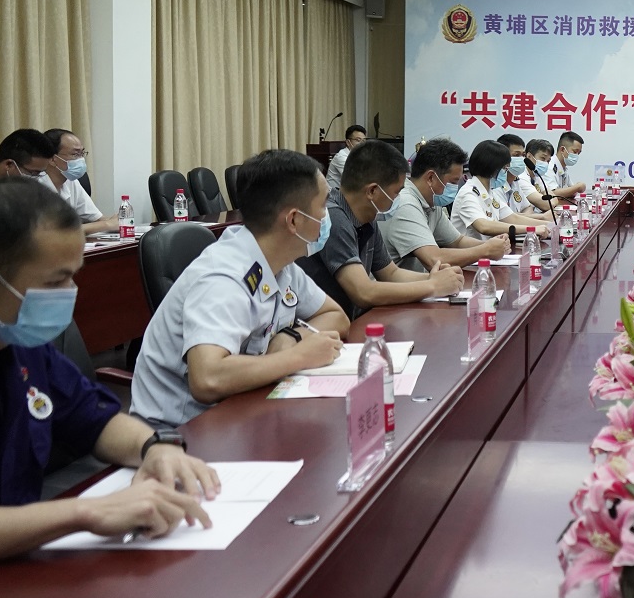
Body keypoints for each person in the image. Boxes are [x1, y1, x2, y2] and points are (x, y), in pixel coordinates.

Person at [0, 179, 219, 573]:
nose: (71, 292)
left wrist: (155, 447)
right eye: (54, 281)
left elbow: (93, 418)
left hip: (11, 570)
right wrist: (83, 513)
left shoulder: (16, 339)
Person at [131, 149, 354, 427]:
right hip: (180, 432)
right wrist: (298, 356)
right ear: (294, 220)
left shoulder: (280, 264)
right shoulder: (222, 278)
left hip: (243, 409)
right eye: (323, 205)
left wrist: (290, 337)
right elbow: (208, 378)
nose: (327, 215)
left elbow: (337, 317)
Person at [298, 140, 465, 319]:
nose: (398, 198)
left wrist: (437, 278)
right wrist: (433, 286)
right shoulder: (334, 218)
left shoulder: (368, 217)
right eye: (396, 192)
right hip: (324, 326)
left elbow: (391, 273)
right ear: (372, 191)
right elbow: (363, 292)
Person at [379, 138, 511, 271]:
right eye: (453, 182)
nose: (455, 188)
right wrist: (485, 250)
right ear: (431, 178)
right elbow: (434, 258)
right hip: (398, 284)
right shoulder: (406, 204)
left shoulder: (431, 201)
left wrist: (492, 244)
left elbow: (457, 241)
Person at [452, 140, 553, 242]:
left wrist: (550, 225)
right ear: (492, 167)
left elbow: (512, 218)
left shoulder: (490, 192)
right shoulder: (468, 193)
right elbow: (484, 226)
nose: (506, 172)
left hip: (494, 248)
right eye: (505, 168)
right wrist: (531, 229)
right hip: (474, 250)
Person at [40, 129, 117, 236]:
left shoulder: (71, 181)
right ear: (52, 159)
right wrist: (107, 224)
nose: (81, 159)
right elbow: (52, 232)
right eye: (75, 154)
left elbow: (97, 219)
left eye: (82, 153)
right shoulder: (34, 186)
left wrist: (117, 221)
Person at [496, 133, 555, 216]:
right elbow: (506, 217)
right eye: (516, 155)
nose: (521, 159)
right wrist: (541, 218)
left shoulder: (515, 180)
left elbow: (528, 207)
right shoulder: (497, 184)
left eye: (522, 155)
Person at [325, 124, 367, 190]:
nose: (362, 144)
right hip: (334, 194)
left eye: (363, 141)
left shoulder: (360, 156)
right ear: (348, 142)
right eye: (358, 140)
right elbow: (355, 179)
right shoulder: (341, 157)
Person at [548, 131, 585, 199]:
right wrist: (578, 187)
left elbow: (572, 191)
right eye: (575, 151)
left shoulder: (563, 168)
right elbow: (552, 194)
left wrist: (576, 188)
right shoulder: (549, 166)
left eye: (579, 153)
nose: (576, 156)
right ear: (562, 149)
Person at [525, 138, 558, 204]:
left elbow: (554, 198)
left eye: (548, 161)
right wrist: (550, 202)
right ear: (529, 156)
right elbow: (546, 204)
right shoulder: (521, 176)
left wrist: (551, 202)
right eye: (543, 158)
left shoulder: (537, 176)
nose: (545, 163)